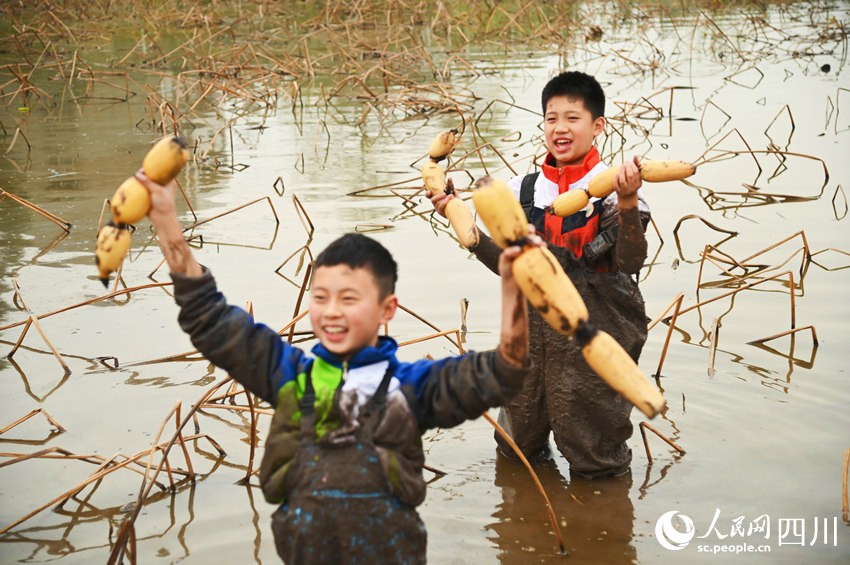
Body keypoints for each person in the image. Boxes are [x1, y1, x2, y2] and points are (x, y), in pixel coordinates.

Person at [136, 168, 540, 564]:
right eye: (321, 298)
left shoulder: (412, 388)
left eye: (349, 299)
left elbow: (506, 370)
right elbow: (208, 318)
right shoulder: (289, 375)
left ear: (387, 309)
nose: (331, 313)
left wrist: (511, 283)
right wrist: (166, 220)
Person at [431, 70, 651, 479]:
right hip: (529, 337)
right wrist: (459, 218)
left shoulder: (617, 187)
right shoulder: (520, 190)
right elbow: (507, 265)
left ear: (597, 126)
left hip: (594, 335)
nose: (560, 128)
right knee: (517, 447)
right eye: (552, 118)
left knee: (597, 459)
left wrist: (627, 200)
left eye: (573, 117)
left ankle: (601, 531)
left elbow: (631, 262)